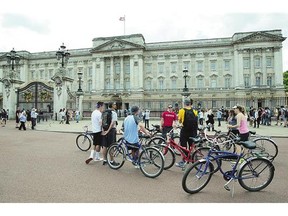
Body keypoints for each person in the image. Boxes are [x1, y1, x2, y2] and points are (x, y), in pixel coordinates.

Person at [176, 98, 198, 168]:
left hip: (185, 131)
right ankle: (194, 158)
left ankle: (184, 160)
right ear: (190, 103)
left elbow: (180, 121)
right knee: (192, 146)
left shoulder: (181, 111)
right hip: (193, 131)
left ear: (184, 103)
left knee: (183, 146)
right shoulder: (194, 111)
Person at [102, 102, 119, 166]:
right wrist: (108, 130)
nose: (115, 105)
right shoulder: (113, 113)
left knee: (104, 145)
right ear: (112, 105)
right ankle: (112, 161)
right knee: (112, 146)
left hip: (105, 129)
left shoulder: (104, 112)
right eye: (114, 104)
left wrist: (104, 130)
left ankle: (104, 160)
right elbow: (112, 123)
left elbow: (101, 122)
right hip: (111, 130)